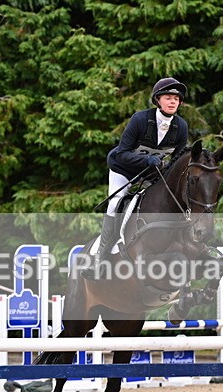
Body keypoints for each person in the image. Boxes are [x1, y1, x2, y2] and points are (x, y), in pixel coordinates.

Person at [82, 77, 189, 279]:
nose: (173, 101)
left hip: (152, 173)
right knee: (116, 202)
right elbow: (122, 152)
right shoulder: (140, 120)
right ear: (158, 100)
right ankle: (99, 257)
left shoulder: (181, 126)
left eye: (176, 98)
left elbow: (176, 160)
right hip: (123, 168)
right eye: (168, 97)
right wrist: (147, 160)